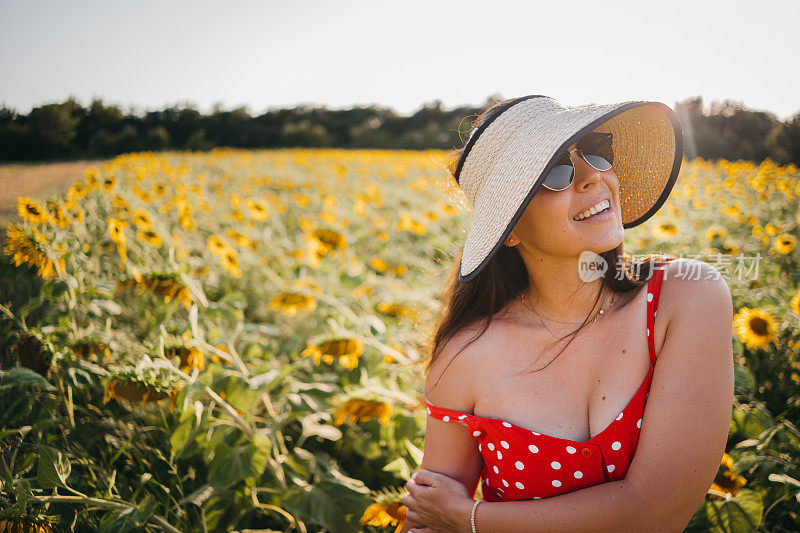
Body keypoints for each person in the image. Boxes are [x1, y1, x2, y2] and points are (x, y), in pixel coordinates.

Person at [400, 95, 734, 532]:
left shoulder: (688, 296)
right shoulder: (466, 354)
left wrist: (473, 519)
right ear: (510, 230)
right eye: (555, 172)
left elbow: (659, 510)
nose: (593, 174)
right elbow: (427, 521)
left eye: (596, 149)